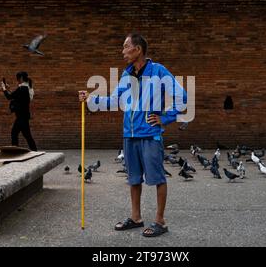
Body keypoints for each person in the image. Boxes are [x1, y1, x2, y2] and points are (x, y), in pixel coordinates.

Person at [78, 33, 187, 237]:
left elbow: (182, 97)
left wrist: (165, 118)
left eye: (126, 46)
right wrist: (91, 98)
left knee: (157, 178)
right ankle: (136, 218)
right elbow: (114, 100)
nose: (123, 51)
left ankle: (160, 221)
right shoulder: (126, 75)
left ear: (137, 49)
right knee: (134, 178)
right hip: (130, 135)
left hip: (150, 135)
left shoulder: (158, 71)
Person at [1, 71, 37, 151]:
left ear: (20, 78)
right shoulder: (26, 88)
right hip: (24, 116)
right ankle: (34, 151)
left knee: (14, 133)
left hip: (21, 117)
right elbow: (16, 97)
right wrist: (8, 89)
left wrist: (3, 88)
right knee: (27, 135)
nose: (17, 80)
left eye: (17, 78)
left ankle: (15, 152)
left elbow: (9, 97)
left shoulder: (22, 88)